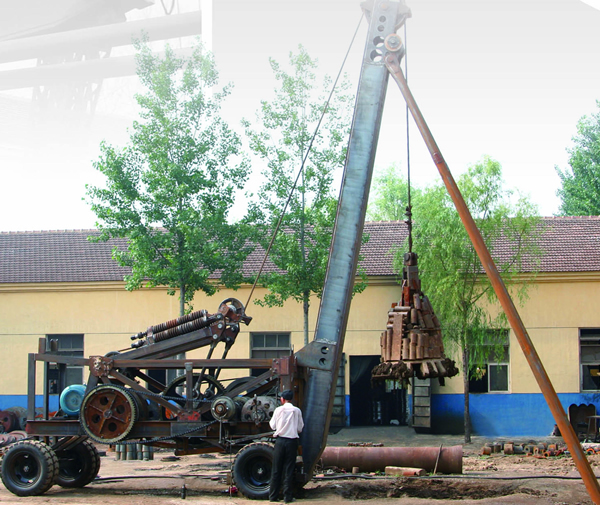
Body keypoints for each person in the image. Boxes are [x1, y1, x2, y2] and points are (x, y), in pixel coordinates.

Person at [269, 389, 304, 503]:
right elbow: (300, 428)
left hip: (280, 441)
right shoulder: (296, 411)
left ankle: (273, 496)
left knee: (276, 469)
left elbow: (272, 426)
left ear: (282, 399)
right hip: (292, 442)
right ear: (291, 399)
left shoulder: (278, 410)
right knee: (289, 469)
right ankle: (287, 497)